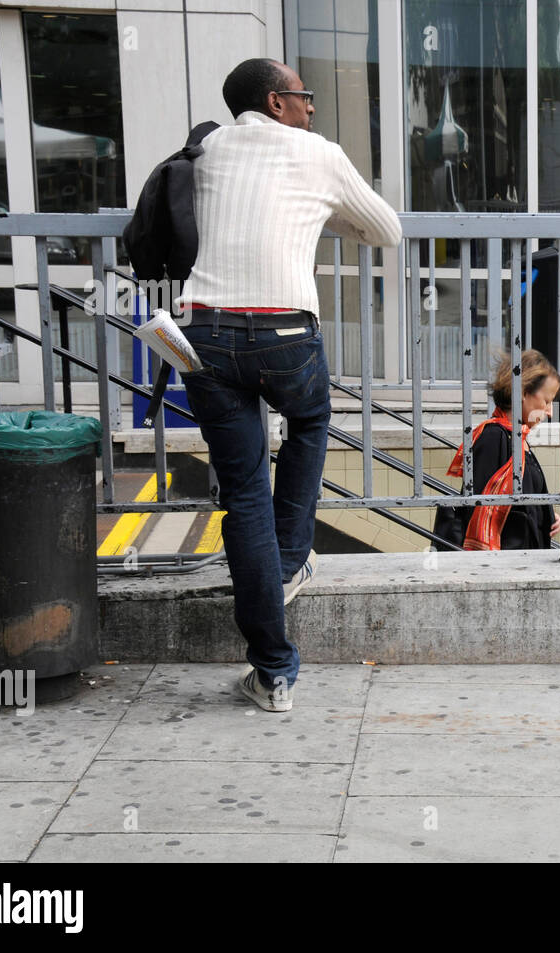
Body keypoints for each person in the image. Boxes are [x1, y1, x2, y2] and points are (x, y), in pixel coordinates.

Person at [173, 58, 402, 711]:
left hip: (204, 334)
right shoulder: (318, 154)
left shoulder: (209, 146)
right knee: (310, 419)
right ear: (276, 101)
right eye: (304, 96)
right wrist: (327, 215)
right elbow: (386, 230)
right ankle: (293, 555)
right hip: (283, 337)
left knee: (242, 495)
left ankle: (273, 673)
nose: (310, 107)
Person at [444, 350, 560, 551]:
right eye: (547, 401)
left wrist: (546, 513)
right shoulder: (494, 438)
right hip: (504, 566)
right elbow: (479, 511)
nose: (550, 411)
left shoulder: (516, 437)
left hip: (521, 562)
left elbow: (514, 503)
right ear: (524, 393)